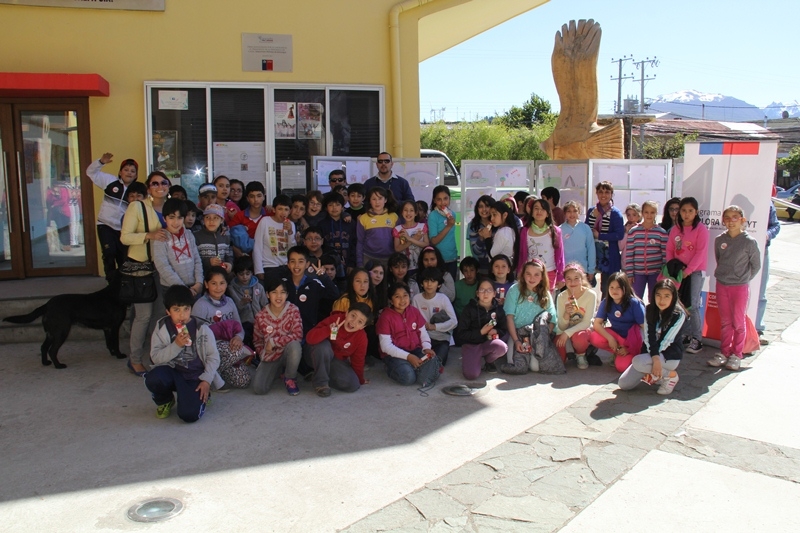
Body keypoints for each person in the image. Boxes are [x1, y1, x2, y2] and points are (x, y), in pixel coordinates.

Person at [145, 284, 223, 422]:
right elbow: (155, 357)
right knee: (153, 378)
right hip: (173, 372)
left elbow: (213, 357)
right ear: (168, 311)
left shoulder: (202, 328)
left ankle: (200, 396)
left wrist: (206, 379)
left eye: (186, 309)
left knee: (189, 415)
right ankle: (165, 400)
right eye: (176, 310)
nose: (182, 315)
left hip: (195, 376)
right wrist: (176, 345)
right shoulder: (162, 326)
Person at [120, 171, 170, 375]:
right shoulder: (138, 206)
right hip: (142, 268)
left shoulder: (171, 208)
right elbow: (125, 237)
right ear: (149, 187)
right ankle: (134, 359)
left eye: (163, 182)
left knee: (160, 315)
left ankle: (156, 355)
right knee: (143, 316)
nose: (160, 186)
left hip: (163, 268)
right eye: (155, 183)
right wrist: (148, 235)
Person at [707, 205, 761, 371]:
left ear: (742, 220)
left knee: (738, 322)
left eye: (735, 217)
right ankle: (724, 352)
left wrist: (743, 279)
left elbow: (756, 265)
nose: (731, 221)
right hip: (722, 284)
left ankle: (736, 355)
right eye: (727, 218)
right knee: (726, 322)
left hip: (740, 287)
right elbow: (719, 258)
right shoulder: (720, 240)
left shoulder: (749, 242)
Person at [618, 279, 687, 395]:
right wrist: (654, 357)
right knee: (624, 384)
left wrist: (656, 360)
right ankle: (659, 374)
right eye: (658, 295)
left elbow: (666, 341)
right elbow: (648, 336)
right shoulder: (650, 309)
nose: (662, 300)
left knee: (638, 362)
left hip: (669, 356)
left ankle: (671, 376)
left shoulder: (679, 315)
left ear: (673, 297)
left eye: (666, 296)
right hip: (650, 353)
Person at [192, 266, 250, 388]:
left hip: (229, 347)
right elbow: (196, 336)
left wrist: (238, 338)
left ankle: (217, 372)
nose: (218, 288)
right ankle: (209, 373)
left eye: (222, 283)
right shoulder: (200, 305)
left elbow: (239, 326)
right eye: (214, 283)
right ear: (206, 284)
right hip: (210, 349)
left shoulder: (229, 301)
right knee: (236, 352)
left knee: (243, 381)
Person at [666, 197, 709, 354]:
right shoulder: (676, 229)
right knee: (680, 304)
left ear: (696, 212)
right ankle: (683, 334)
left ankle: (697, 338)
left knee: (694, 305)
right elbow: (670, 249)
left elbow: (700, 253)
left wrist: (688, 271)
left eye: (690, 211)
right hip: (678, 272)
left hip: (694, 272)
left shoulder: (701, 230)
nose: (686, 214)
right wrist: (673, 267)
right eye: (683, 210)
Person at [375, 282, 441, 387]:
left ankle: (414, 367)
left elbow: (423, 333)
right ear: (391, 300)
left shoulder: (414, 311)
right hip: (394, 355)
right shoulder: (385, 317)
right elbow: (385, 346)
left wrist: (426, 347)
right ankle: (393, 368)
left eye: (405, 295)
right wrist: (408, 357)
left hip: (415, 350)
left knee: (433, 360)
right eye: (397, 297)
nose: (402, 300)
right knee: (408, 378)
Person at [86, 152, 139, 280]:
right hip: (105, 225)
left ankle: (123, 285)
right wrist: (101, 162)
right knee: (109, 254)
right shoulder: (110, 181)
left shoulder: (137, 190)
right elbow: (90, 172)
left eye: (133, 171)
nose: (129, 173)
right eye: (126, 170)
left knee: (123, 258)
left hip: (123, 230)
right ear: (120, 172)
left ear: (136, 175)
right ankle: (110, 282)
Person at [501, 259, 557, 375]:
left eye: (536, 274)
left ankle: (531, 356)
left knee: (535, 367)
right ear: (523, 274)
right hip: (518, 334)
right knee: (513, 362)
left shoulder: (545, 294)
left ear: (542, 277)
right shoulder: (514, 290)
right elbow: (509, 317)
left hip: (536, 335)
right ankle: (513, 349)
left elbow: (552, 320)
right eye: (528, 274)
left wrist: (541, 340)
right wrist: (516, 341)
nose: (532, 278)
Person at [305, 303, 371, 397]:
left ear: (363, 327)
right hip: (316, 354)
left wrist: (360, 379)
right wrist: (328, 329)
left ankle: (317, 375)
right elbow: (310, 338)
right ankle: (321, 384)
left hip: (336, 361)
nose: (353, 322)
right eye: (353, 316)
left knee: (353, 385)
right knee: (324, 347)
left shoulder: (361, 337)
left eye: (360, 322)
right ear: (347, 313)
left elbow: (358, 360)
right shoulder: (336, 319)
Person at [252, 277, 304, 395]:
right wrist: (262, 354)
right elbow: (257, 340)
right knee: (259, 389)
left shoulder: (293, 310)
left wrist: (274, 342)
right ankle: (278, 371)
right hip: (271, 356)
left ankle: (290, 377)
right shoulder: (261, 316)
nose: (278, 296)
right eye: (274, 292)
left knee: (295, 346)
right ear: (267, 294)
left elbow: (298, 335)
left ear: (287, 294)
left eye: (282, 292)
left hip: (287, 354)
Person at [588, 271, 645, 373]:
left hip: (633, 339)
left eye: (618, 287)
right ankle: (618, 352)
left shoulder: (634, 303)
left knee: (621, 368)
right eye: (611, 287)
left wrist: (630, 347)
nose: (614, 290)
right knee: (594, 337)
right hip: (617, 337)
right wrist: (610, 339)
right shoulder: (606, 302)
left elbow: (644, 327)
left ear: (625, 288)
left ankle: (633, 355)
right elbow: (597, 324)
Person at [454, 278, 509, 379]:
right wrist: (481, 332)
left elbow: (504, 329)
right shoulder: (469, 309)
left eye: (489, 290)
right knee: (471, 375)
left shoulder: (498, 309)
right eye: (482, 290)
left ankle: (489, 361)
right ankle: (474, 359)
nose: (485, 293)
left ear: (494, 293)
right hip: (471, 344)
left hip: (488, 343)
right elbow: (461, 335)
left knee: (502, 347)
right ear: (477, 293)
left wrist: (496, 331)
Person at [152, 198, 204, 297]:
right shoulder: (161, 238)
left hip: (194, 286)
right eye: (172, 217)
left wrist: (199, 282)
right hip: (172, 288)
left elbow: (197, 259)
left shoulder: (189, 234)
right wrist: (183, 288)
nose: (176, 222)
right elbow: (163, 267)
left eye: (180, 218)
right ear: (164, 218)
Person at [555, 263, 597, 369]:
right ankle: (570, 352)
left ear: (582, 278)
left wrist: (567, 334)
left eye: (576, 278)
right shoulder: (561, 296)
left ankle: (581, 354)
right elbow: (561, 326)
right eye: (568, 279)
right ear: (564, 280)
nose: (572, 282)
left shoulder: (591, 295)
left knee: (579, 337)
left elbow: (587, 322)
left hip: (583, 331)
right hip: (566, 330)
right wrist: (566, 314)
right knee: (559, 361)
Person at [623, 200, 667, 302]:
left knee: (654, 299)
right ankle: (638, 317)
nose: (649, 215)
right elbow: (629, 254)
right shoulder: (634, 231)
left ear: (656, 214)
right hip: (638, 273)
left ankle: (652, 317)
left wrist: (663, 273)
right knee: (635, 299)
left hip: (656, 273)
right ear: (642, 213)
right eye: (646, 212)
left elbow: (665, 255)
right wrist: (630, 274)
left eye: (652, 212)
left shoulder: (661, 233)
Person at [585, 181, 625, 296]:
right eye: (601, 192)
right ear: (596, 193)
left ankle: (606, 311)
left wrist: (600, 236)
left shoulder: (615, 213)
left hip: (608, 255)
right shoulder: (591, 211)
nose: (603, 195)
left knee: (607, 287)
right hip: (593, 252)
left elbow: (619, 234)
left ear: (611, 194)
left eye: (607, 192)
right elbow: (586, 228)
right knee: (588, 283)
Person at [412, 267, 457, 366]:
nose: (429, 284)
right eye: (426, 280)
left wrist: (434, 327)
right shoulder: (416, 298)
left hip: (441, 339)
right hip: (422, 338)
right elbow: (413, 321)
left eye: (433, 281)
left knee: (439, 361)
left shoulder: (443, 299)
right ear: (421, 283)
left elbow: (454, 321)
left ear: (439, 284)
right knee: (418, 359)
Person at [518, 199, 565, 290]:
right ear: (531, 212)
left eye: (543, 209)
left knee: (546, 302)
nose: (539, 211)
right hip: (530, 274)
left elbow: (560, 255)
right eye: (536, 208)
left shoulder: (555, 231)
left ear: (548, 213)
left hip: (549, 273)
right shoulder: (524, 231)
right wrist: (520, 273)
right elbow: (522, 254)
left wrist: (560, 276)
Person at [253, 194, 296, 285]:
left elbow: (292, 248)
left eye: (286, 209)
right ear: (274, 209)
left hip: (286, 266)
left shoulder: (291, 224)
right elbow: (257, 246)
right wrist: (258, 269)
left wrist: (290, 232)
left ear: (290, 211)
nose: (283, 213)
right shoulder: (265, 221)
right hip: (269, 266)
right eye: (280, 209)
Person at [227, 255, 267, 349]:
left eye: (247, 273)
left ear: (252, 273)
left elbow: (265, 305)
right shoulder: (232, 288)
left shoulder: (258, 287)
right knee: (246, 346)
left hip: (259, 322)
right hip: (242, 323)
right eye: (241, 274)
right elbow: (233, 310)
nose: (245, 277)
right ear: (235, 274)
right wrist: (242, 303)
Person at [756, 199, 780, 344]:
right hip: (737, 251)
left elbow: (775, 226)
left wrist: (766, 235)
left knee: (760, 291)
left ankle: (757, 329)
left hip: (761, 251)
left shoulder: (767, 202)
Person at [356, 187, 397, 267]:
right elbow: (360, 241)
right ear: (370, 201)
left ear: (385, 200)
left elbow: (399, 239)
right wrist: (359, 262)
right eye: (374, 199)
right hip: (368, 257)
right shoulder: (363, 218)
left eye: (380, 198)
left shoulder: (394, 217)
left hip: (389, 258)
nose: (377, 202)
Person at [319, 191, 356, 276]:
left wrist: (352, 263)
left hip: (348, 263)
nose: (334, 208)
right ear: (326, 208)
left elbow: (354, 243)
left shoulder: (350, 223)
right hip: (328, 267)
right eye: (330, 205)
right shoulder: (322, 224)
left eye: (337, 205)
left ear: (342, 207)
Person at [428, 185, 459, 281]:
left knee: (451, 288)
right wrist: (448, 226)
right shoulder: (433, 216)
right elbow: (433, 241)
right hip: (439, 259)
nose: (443, 202)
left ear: (450, 199)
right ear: (434, 201)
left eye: (445, 199)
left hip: (452, 257)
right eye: (439, 199)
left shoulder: (452, 214)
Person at [228, 181, 268, 256]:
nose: (256, 199)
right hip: (245, 258)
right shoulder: (239, 216)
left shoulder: (269, 214)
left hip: (265, 257)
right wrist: (237, 251)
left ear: (264, 197)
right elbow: (229, 236)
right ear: (247, 198)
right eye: (252, 196)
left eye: (259, 196)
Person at [193, 204, 233, 278]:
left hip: (221, 277)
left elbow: (229, 254)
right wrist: (208, 262)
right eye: (207, 217)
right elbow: (194, 258)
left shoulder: (225, 236)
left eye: (216, 218)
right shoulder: (196, 236)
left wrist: (229, 264)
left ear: (222, 220)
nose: (211, 221)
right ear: (203, 220)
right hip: (204, 277)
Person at [560, 200, 596, 277]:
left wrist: (591, 270)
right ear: (565, 213)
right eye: (569, 211)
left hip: (582, 269)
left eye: (575, 211)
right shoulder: (560, 229)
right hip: (566, 269)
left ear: (579, 212)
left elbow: (591, 249)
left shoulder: (585, 228)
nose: (572, 214)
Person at [394, 200, 429, 275]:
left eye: (411, 210)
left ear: (416, 213)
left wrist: (409, 238)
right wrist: (413, 239)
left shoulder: (422, 227)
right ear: (402, 212)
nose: (408, 213)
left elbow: (426, 244)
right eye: (405, 210)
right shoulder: (398, 229)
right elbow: (397, 248)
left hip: (421, 265)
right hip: (404, 268)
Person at [468, 195, 496, 275]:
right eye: (480, 206)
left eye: (487, 206)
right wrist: (481, 238)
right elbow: (476, 251)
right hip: (481, 267)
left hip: (497, 266)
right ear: (477, 209)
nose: (484, 209)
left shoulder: (497, 224)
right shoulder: (473, 226)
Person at [488, 201, 518, 267]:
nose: (492, 218)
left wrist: (487, 238)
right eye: (491, 215)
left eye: (494, 215)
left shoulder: (503, 232)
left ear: (505, 215)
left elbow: (492, 255)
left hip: (500, 268)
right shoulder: (510, 230)